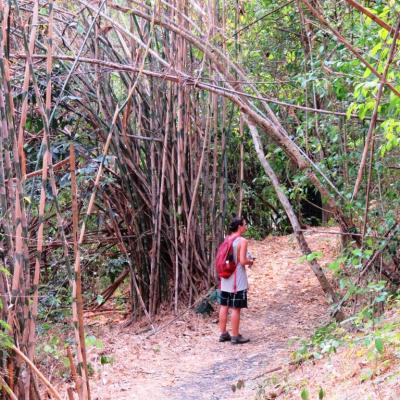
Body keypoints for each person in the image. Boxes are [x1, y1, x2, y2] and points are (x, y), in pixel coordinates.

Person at [218, 216, 254, 345]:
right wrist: (251, 261)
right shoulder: (242, 241)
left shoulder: (227, 239)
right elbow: (243, 261)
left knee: (224, 306)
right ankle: (235, 336)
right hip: (237, 280)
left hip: (225, 278)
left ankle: (223, 334)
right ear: (239, 226)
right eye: (244, 224)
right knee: (235, 308)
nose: (246, 227)